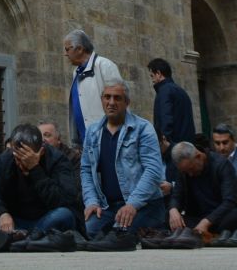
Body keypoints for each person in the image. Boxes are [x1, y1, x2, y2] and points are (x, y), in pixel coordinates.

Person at [77, 80, 166, 250]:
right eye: (107, 97)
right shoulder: (93, 132)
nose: (111, 102)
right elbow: (86, 169)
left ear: (127, 102)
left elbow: (153, 170)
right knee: (90, 230)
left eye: (117, 98)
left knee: (122, 235)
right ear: (102, 100)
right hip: (107, 206)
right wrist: (91, 202)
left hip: (144, 205)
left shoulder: (143, 128)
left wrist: (132, 204)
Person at [0, 122, 82, 243]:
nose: (21, 163)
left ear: (41, 151)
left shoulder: (57, 160)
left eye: (27, 158)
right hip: (14, 220)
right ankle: (26, 239)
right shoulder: (7, 158)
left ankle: (18, 239)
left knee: (64, 215)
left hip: (44, 219)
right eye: (18, 158)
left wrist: (35, 169)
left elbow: (64, 199)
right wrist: (2, 213)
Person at [168, 142, 237, 241]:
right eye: (186, 172)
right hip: (198, 217)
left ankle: (210, 235)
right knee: (172, 219)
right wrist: (173, 209)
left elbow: (230, 201)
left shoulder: (222, 165)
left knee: (234, 218)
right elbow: (177, 195)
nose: (190, 174)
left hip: (220, 216)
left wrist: (207, 222)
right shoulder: (185, 171)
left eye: (191, 169)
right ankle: (204, 235)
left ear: (199, 157)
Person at [64, 29, 122, 154]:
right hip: (86, 144)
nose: (66, 54)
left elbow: (119, 104)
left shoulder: (105, 66)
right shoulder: (76, 72)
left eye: (67, 49)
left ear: (79, 49)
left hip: (106, 141)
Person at [148, 59, 194, 151]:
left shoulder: (164, 92)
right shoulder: (181, 91)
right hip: (187, 147)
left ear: (158, 73)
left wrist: (163, 145)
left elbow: (166, 120)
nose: (152, 80)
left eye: (152, 76)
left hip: (174, 150)